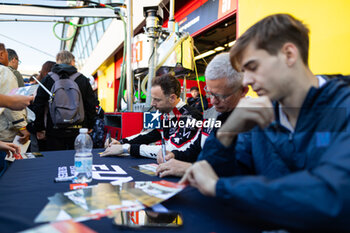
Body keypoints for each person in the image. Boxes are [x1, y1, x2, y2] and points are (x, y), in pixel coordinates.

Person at [180, 14, 350, 231]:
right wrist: (226, 133)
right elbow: (216, 175)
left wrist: (220, 187)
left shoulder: (342, 108)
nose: (247, 81)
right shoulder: (259, 117)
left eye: (253, 67)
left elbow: (332, 197)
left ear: (289, 54)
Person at [156, 53, 247, 177]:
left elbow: (245, 171)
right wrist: (174, 154)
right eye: (210, 94)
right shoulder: (218, 114)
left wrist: (190, 169)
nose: (213, 101)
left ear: (243, 91)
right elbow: (197, 149)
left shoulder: (255, 121)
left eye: (222, 96)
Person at [101, 73, 202, 159]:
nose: (152, 103)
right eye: (152, 99)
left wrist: (126, 148)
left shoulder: (190, 116)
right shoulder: (167, 113)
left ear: (172, 98)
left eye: (157, 99)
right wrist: (120, 142)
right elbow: (150, 135)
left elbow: (169, 150)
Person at [32, 50, 96, 150]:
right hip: (78, 129)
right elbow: (91, 104)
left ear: (57, 61)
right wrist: (90, 124)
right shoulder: (82, 79)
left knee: (55, 161)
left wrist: (39, 128)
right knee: (77, 159)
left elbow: (38, 105)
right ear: (72, 62)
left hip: (54, 129)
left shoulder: (48, 79)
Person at [0, 43, 30, 144]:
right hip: (5, 133)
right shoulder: (5, 72)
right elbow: (11, 103)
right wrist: (22, 127)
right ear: (1, 55)